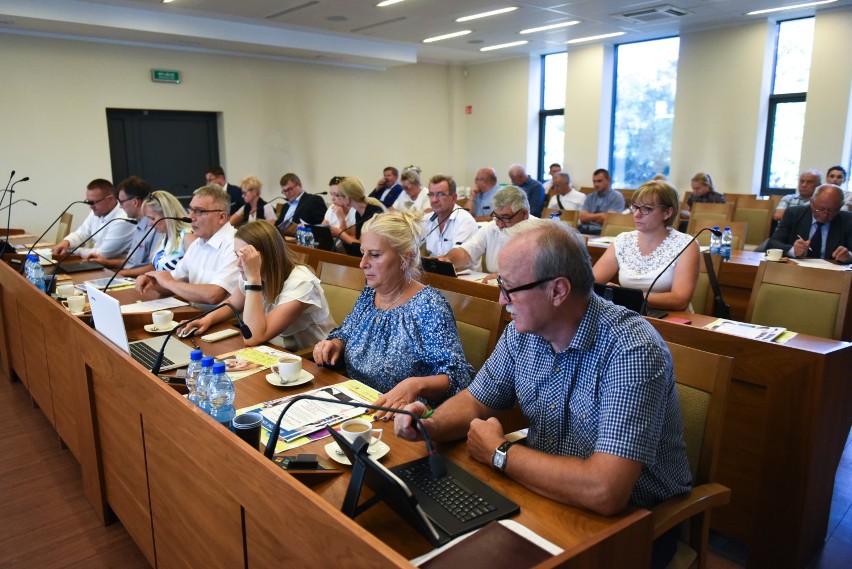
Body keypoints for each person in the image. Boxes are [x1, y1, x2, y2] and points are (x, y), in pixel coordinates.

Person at [394, 218, 691, 569]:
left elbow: (606, 490)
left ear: (558, 291)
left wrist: (499, 452)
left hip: (632, 524)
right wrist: (431, 424)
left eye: (511, 287)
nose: (501, 298)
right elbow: (477, 399)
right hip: (546, 498)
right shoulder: (525, 330)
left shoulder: (631, 350)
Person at [313, 211, 473, 418]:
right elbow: (347, 332)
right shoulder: (371, 292)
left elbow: (459, 376)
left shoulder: (429, 305)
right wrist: (335, 344)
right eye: (363, 252)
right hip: (355, 403)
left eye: (375, 254)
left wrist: (416, 385)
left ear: (405, 258)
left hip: (402, 418)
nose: (362, 263)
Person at [185, 221, 335, 351]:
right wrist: (207, 320)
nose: (238, 264)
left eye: (245, 257)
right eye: (237, 256)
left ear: (267, 256)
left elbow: (253, 337)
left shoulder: (301, 283)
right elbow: (232, 304)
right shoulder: (252, 275)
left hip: (312, 362)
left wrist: (253, 279)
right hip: (276, 350)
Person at [593, 181, 699, 311]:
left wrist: (625, 295)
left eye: (646, 209)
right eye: (635, 207)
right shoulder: (623, 240)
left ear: (667, 212)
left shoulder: (687, 244)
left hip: (671, 320)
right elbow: (592, 283)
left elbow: (679, 300)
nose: (637, 214)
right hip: (629, 317)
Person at [136, 185, 238, 307]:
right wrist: (152, 281)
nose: (190, 217)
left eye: (199, 212)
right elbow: (174, 281)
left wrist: (168, 282)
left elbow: (214, 295)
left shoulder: (235, 245)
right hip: (196, 315)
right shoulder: (197, 244)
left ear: (221, 217)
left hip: (227, 324)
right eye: (190, 210)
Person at [441, 185, 530, 275]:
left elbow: (534, 275)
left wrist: (503, 278)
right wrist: (448, 259)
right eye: (497, 217)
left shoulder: (540, 232)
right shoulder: (491, 227)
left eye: (505, 218)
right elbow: (466, 252)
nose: (499, 224)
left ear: (524, 214)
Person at [86, 176, 158, 276]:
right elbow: (133, 262)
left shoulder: (155, 227)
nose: (120, 206)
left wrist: (121, 273)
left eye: (122, 202)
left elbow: (156, 266)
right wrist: (107, 262)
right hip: (129, 275)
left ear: (135, 202)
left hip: (140, 280)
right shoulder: (138, 224)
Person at [52, 178, 136, 260]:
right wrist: (66, 242)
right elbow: (81, 234)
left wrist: (72, 250)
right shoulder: (96, 211)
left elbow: (103, 254)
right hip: (96, 264)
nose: (91, 207)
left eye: (93, 202)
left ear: (110, 199)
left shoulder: (123, 219)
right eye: (88, 202)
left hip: (114, 268)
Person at [767, 185, 852, 263]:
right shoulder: (794, 214)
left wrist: (848, 256)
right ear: (811, 203)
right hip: (796, 270)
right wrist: (793, 250)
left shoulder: (847, 220)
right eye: (821, 209)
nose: (825, 214)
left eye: (832, 210)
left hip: (833, 273)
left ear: (840, 206)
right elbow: (773, 243)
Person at [421, 174, 479, 258]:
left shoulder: (465, 221)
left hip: (461, 270)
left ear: (453, 198)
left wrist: (426, 261)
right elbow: (412, 246)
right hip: (434, 270)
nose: (434, 200)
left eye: (440, 194)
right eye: (431, 194)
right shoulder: (427, 219)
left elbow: (456, 258)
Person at [144, 191, 196, 271]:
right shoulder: (165, 236)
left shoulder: (187, 237)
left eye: (152, 218)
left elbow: (196, 276)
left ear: (167, 215)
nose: (149, 224)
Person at [329, 177, 385, 247]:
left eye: (338, 195)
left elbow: (362, 244)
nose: (334, 198)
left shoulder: (373, 213)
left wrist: (340, 233)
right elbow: (355, 239)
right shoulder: (358, 212)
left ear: (347, 198)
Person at [579, 169, 626, 234]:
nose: (596, 184)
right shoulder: (590, 197)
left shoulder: (617, 197)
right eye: (594, 181)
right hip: (584, 229)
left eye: (599, 181)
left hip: (602, 232)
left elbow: (608, 219)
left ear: (608, 180)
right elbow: (583, 217)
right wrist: (601, 215)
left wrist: (589, 217)